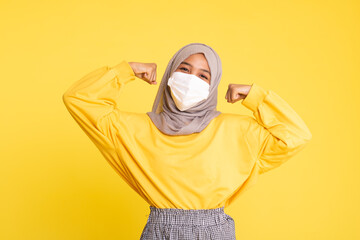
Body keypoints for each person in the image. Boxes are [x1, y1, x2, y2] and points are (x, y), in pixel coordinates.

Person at [62, 42, 312, 239]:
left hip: (216, 232)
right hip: (160, 232)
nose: (192, 79)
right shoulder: (132, 130)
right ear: (170, 73)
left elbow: (295, 135)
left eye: (204, 76)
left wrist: (255, 96)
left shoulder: (236, 130)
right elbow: (78, 100)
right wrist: (126, 70)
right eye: (184, 69)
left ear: (213, 85)